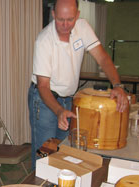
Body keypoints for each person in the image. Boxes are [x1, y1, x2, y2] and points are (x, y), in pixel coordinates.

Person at [28, 0, 128, 169]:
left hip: (68, 99)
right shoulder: (44, 40)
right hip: (44, 100)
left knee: (64, 148)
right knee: (44, 152)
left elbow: (102, 58)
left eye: (70, 19)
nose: (66, 25)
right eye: (60, 20)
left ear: (78, 16)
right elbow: (43, 85)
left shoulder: (83, 27)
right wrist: (59, 111)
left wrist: (117, 85)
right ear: (53, 14)